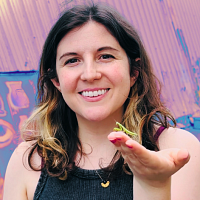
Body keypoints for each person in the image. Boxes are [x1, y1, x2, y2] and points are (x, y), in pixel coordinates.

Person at [3, 2, 200, 200]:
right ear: (56, 80)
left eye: (105, 56)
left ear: (133, 72)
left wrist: (154, 184)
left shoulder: (176, 151)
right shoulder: (27, 162)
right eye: (72, 60)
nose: (90, 74)